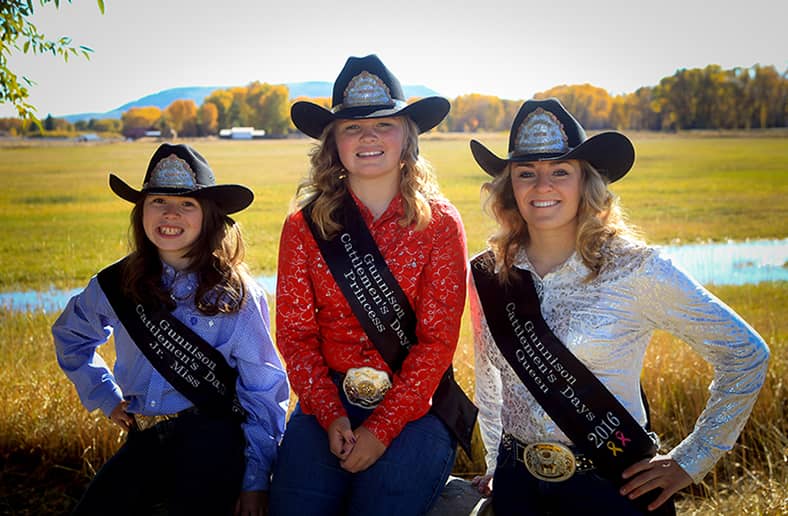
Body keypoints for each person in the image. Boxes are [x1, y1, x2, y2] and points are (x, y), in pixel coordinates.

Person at [467, 98, 770, 515]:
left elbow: (746, 354)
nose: (542, 186)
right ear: (509, 186)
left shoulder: (636, 269)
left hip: (611, 486)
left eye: (560, 171)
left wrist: (691, 460)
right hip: (518, 485)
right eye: (526, 173)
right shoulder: (487, 272)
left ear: (584, 182)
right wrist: (493, 463)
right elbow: (490, 382)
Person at [269, 54, 476, 516]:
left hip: (415, 405)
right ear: (333, 144)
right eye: (351, 127)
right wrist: (329, 413)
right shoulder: (303, 226)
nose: (368, 137)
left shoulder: (441, 224)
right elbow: (296, 338)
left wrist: (381, 429)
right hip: (329, 403)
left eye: (385, 124)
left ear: (407, 137)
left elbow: (437, 342)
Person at [53, 143, 289, 515]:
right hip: (143, 438)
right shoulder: (115, 285)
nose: (170, 214)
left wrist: (256, 480)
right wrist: (105, 396)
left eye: (187, 204)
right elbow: (71, 336)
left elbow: (264, 391)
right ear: (141, 211)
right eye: (158, 201)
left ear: (210, 216)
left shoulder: (238, 295)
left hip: (213, 441)